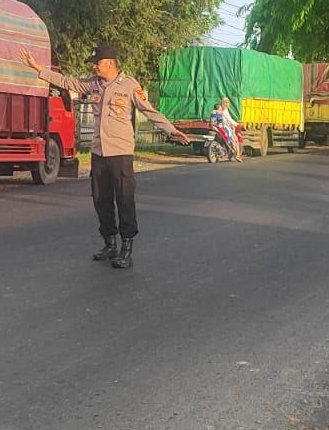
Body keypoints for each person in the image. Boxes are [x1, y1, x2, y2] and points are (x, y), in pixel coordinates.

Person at [19, 42, 190, 269]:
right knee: (101, 200)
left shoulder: (129, 85)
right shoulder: (93, 85)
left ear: (109, 63)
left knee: (124, 200)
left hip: (120, 154)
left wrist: (171, 130)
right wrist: (38, 69)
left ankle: (126, 248)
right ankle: (109, 243)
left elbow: (149, 110)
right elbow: (67, 81)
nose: (94, 68)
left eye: (97, 63)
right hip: (99, 153)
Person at [211, 96, 244, 161]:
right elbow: (228, 119)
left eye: (228, 102)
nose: (226, 104)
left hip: (221, 126)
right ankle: (236, 153)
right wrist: (236, 125)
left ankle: (232, 151)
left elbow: (228, 119)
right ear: (222, 103)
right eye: (225, 102)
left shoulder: (223, 110)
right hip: (223, 126)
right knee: (232, 138)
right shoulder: (222, 110)